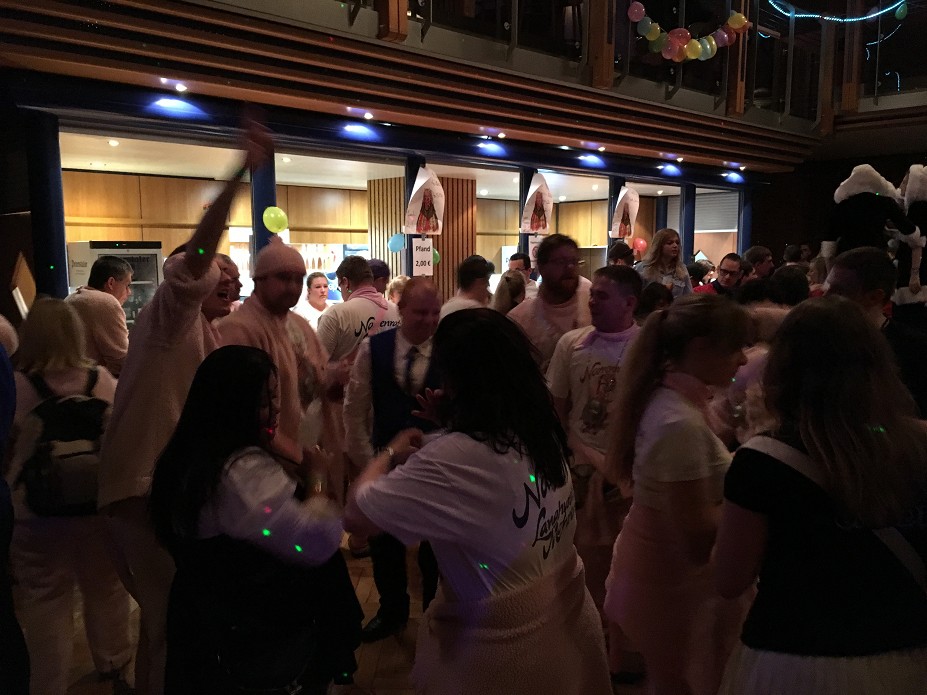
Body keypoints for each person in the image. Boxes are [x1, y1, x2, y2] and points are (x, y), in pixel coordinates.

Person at [344, 308, 611, 695]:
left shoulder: (453, 460)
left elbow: (357, 516)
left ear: (453, 378)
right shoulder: (538, 425)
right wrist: (453, 426)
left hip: (506, 661)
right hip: (568, 625)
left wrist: (390, 450)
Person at [98, 120, 271, 695]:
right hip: (145, 489)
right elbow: (195, 260)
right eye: (222, 273)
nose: (231, 281)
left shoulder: (210, 334)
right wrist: (238, 176)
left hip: (162, 487)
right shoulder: (172, 319)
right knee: (170, 619)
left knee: (164, 618)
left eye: (235, 276)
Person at [715, 297, 927, 694]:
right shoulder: (917, 443)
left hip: (793, 658)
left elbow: (729, 579)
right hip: (906, 656)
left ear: (784, 368)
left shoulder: (763, 460)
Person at [149, 346, 362, 694]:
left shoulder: (189, 456)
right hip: (256, 637)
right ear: (231, 406)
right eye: (263, 401)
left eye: (275, 396)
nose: (276, 408)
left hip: (208, 626)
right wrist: (318, 478)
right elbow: (314, 542)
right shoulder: (241, 474)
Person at [604, 294, 752, 695]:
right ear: (700, 348)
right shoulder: (677, 423)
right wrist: (759, 497)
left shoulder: (671, 400)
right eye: (735, 348)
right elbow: (696, 538)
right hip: (673, 584)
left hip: (659, 571)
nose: (743, 360)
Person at [5, 299, 132, 695]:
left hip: (33, 513)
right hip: (96, 507)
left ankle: (49, 683)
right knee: (106, 586)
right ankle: (112, 663)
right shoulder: (101, 380)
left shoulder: (15, 386)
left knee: (45, 598)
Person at [546, 265, 643, 684]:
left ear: (629, 303)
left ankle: (622, 650)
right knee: (584, 561)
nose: (592, 300)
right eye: (593, 294)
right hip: (581, 470)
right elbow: (558, 408)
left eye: (603, 295)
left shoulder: (646, 348)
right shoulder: (572, 344)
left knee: (628, 565)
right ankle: (585, 645)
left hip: (630, 474)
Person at [343, 278, 442, 642]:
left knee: (436, 548)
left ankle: (434, 614)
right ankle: (392, 612)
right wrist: (369, 460)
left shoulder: (450, 350)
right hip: (386, 461)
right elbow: (354, 411)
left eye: (435, 312)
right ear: (401, 309)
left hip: (436, 467)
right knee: (384, 544)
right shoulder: (374, 348)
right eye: (421, 312)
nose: (429, 320)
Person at [824, 247, 927, 417]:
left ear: (875, 297)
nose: (826, 296)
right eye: (828, 287)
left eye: (839, 290)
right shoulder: (818, 338)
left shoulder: (915, 351)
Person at [508, 234, 592, 372]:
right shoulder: (519, 320)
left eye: (574, 261)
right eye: (560, 262)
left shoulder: (592, 305)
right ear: (541, 267)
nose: (570, 267)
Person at [316, 256, 400, 363]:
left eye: (339, 286)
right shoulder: (397, 311)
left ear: (346, 282)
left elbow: (317, 365)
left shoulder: (335, 315)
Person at [65, 255, 132, 376]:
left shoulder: (71, 298)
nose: (129, 292)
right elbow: (122, 360)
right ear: (111, 283)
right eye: (127, 285)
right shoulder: (106, 302)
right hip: (92, 382)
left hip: (70, 379)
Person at [636, 228, 693, 298]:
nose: (675, 246)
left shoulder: (682, 269)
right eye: (670, 243)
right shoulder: (643, 268)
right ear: (659, 246)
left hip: (676, 305)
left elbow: (688, 296)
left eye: (677, 243)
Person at [439, 255, 493, 319]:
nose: (488, 287)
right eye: (486, 282)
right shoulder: (477, 311)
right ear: (479, 282)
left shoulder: (446, 307)